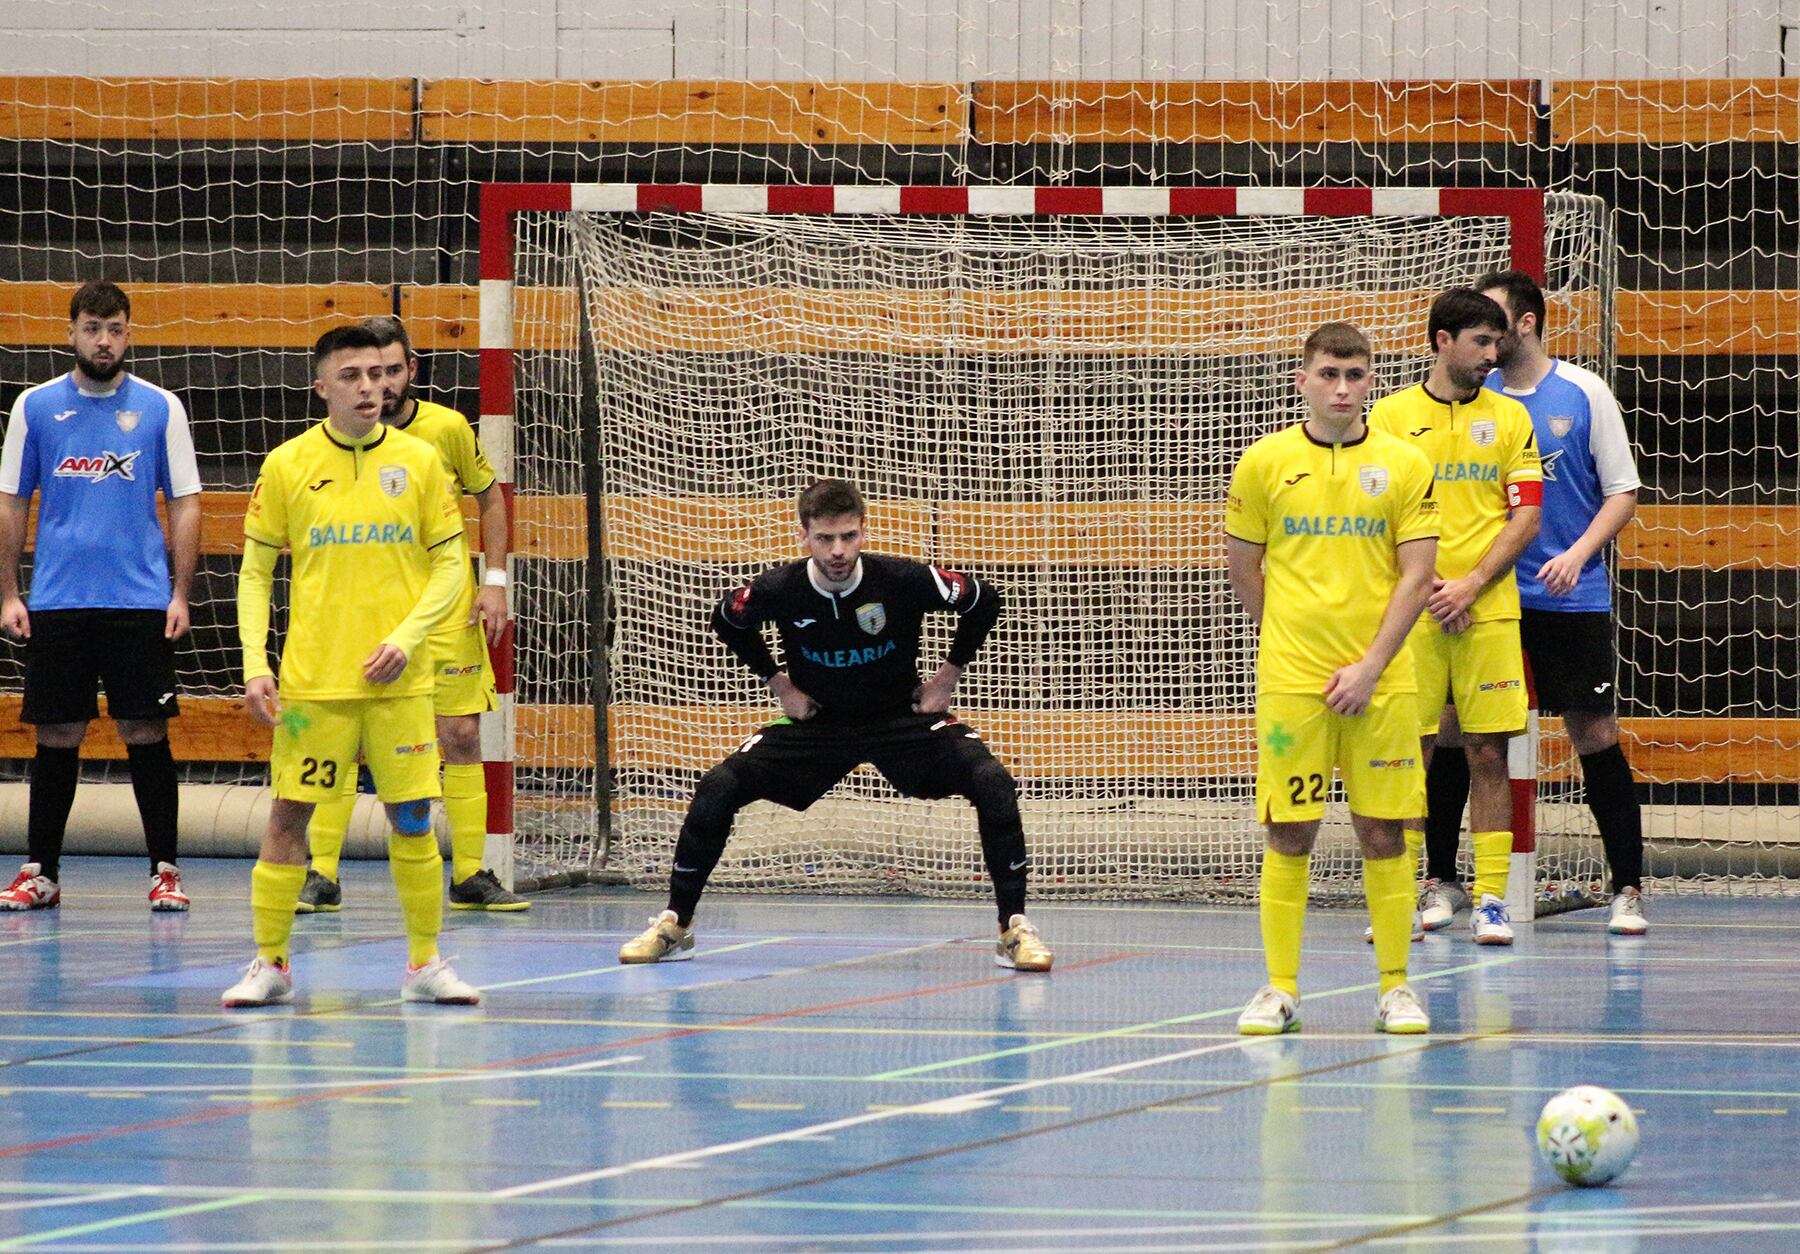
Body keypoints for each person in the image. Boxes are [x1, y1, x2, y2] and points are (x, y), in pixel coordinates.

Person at [617, 477, 1054, 972]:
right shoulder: (778, 589)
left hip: (900, 720)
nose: (838, 550)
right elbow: (727, 620)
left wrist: (947, 675)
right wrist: (779, 683)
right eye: (825, 538)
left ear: (864, 531)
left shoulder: (903, 579)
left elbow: (983, 600)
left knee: (992, 781)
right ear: (803, 536)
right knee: (720, 785)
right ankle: (675, 923)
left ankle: (1013, 929)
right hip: (818, 726)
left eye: (848, 536)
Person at [223, 323, 480, 1007]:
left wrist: (407, 638)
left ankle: (425, 963)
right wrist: (254, 663)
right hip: (313, 685)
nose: (371, 388)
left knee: (414, 817)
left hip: (399, 685)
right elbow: (254, 573)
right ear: (322, 387)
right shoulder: (287, 465)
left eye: (378, 374)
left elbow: (454, 562)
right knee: (287, 818)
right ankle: (271, 963)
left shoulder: (421, 463)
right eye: (353, 377)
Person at [1414, 269, 1646, 936]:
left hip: (1567, 597)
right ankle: (1443, 881)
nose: (1482, 338)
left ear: (1526, 323)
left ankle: (1627, 885)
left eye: (1493, 321)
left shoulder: (1582, 392)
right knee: (1461, 735)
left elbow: (1622, 491)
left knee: (1594, 734)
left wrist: (1578, 554)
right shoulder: (1466, 395)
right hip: (1477, 600)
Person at [1226, 322, 1440, 1035]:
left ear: (1371, 379)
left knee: (1385, 828)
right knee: (1290, 829)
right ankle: (1279, 989)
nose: (1342, 388)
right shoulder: (1264, 462)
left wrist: (1370, 664)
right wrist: (1286, 641)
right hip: (1294, 684)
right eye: (1328, 374)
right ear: (1303, 380)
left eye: (1354, 374)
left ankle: (1396, 988)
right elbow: (1243, 565)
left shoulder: (1406, 465)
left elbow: (1417, 575)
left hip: (1384, 682)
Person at [296, 316, 524, 914]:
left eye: (391, 370)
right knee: (344, 743)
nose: (381, 384)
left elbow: (490, 495)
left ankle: (471, 873)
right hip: (370, 616)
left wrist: (493, 581)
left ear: (411, 370)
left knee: (462, 734)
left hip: (446, 615)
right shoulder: (328, 446)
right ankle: (320, 874)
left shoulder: (445, 430)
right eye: (369, 372)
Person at [0, 281, 200, 912]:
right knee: (56, 734)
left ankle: (165, 869)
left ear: (129, 333)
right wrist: (9, 591)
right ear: (71, 332)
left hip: (140, 603)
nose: (104, 340)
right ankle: (42, 872)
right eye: (92, 327)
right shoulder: (34, 407)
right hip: (57, 603)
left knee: (147, 731)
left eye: (114, 328)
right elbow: (11, 502)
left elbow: (187, 502)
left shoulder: (162, 407)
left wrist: (181, 593)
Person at [1369, 290, 1542, 945]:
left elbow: (1525, 516)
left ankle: (1492, 900)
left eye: (1497, 343)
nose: (1492, 356)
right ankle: (1410, 894)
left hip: (1488, 612)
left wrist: (1468, 585)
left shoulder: (1510, 419)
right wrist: (1426, 586)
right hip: (1410, 616)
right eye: (1480, 343)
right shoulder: (1386, 418)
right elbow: (1373, 516)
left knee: (1488, 752)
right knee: (1405, 754)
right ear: (1442, 340)